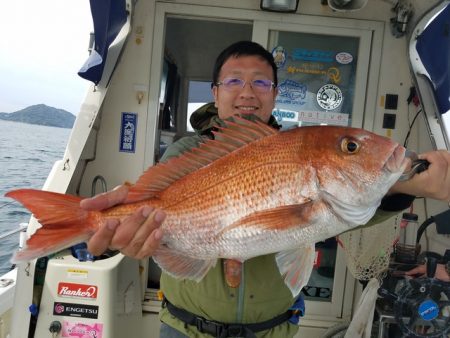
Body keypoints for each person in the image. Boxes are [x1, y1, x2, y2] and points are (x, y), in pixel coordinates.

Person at [81, 41, 450, 337]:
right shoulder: (187, 153)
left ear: (274, 94)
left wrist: (408, 185)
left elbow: (345, 212)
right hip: (184, 328)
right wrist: (121, 224)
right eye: (233, 81)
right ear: (215, 91)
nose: (247, 92)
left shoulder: (295, 154)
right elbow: (153, 209)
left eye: (260, 82)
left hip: (272, 330)